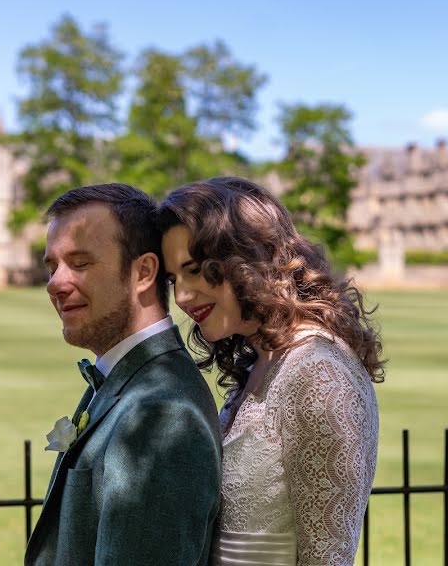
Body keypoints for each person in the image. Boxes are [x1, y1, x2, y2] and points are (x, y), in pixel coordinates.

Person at [157, 177, 383, 566]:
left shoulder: (318, 372)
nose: (181, 296)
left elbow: (327, 558)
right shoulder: (261, 362)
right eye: (174, 279)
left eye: (194, 270)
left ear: (244, 260)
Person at [25, 184, 222, 566]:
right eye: (52, 266)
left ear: (144, 272)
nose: (55, 283)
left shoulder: (163, 414)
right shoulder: (124, 381)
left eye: (80, 263)